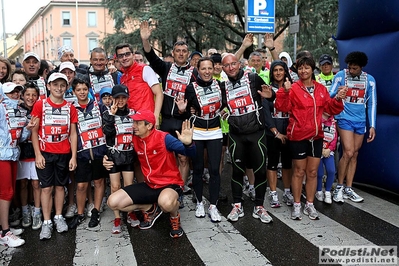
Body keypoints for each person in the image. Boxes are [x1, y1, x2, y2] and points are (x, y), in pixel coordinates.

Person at [274, 56, 346, 220]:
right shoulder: (293, 88)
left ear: (312, 69)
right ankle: (297, 205)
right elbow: (281, 107)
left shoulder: (321, 89)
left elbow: (330, 108)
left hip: (317, 136)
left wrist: (338, 98)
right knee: (299, 171)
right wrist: (284, 91)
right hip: (298, 136)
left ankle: (310, 205)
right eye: (300, 68)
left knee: (312, 172)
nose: (303, 71)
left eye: (306, 68)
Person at [106, 111, 196, 238]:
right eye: (134, 122)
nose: (133, 126)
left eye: (138, 123)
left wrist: (188, 144)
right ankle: (150, 208)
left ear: (149, 126)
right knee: (113, 202)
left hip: (169, 184)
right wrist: (106, 159)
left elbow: (191, 153)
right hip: (150, 185)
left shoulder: (164, 138)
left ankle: (174, 217)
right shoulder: (135, 139)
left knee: (166, 203)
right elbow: (120, 153)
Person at [140, 20, 198, 196]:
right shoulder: (166, 68)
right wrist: (145, 40)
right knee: (165, 156)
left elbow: (197, 99)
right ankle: (166, 187)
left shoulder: (194, 73)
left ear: (188, 54)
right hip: (166, 120)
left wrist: (187, 111)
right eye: (178, 51)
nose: (181, 54)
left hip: (183, 120)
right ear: (173, 53)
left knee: (183, 157)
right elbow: (151, 57)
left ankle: (179, 189)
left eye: (184, 51)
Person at [220, 53, 275, 224]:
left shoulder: (253, 78)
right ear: (223, 69)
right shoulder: (223, 87)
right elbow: (216, 105)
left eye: (233, 64)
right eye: (227, 65)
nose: (231, 67)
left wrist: (270, 96)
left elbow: (269, 95)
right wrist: (223, 114)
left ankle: (259, 206)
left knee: (259, 171)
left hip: (256, 133)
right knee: (237, 171)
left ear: (239, 64)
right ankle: (237, 205)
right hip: (236, 135)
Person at [30, 72, 78, 240]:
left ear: (66, 87)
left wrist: (73, 157)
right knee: (46, 188)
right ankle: (47, 221)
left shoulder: (70, 107)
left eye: (62, 85)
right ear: (48, 86)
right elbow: (34, 132)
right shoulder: (40, 105)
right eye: (55, 85)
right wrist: (37, 154)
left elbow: (73, 134)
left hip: (63, 153)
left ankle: (58, 216)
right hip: (45, 153)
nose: (59, 88)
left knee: (60, 187)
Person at [178, 57, 224, 222]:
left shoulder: (220, 85)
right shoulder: (191, 88)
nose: (206, 71)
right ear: (197, 69)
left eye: (209, 68)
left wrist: (226, 114)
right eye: (203, 68)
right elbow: (187, 110)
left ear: (213, 69)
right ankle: (199, 202)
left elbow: (225, 105)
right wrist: (183, 110)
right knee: (197, 169)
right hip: (196, 131)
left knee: (213, 170)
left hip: (215, 131)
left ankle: (213, 205)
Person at [329, 51, 377, 203]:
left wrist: (372, 125)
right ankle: (339, 187)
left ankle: (348, 188)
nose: (351, 71)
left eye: (355, 68)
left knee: (355, 154)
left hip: (360, 121)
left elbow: (372, 103)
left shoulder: (369, 80)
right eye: (349, 67)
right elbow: (329, 94)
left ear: (361, 67)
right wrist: (338, 93)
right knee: (348, 152)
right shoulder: (341, 76)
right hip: (344, 118)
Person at [67, 78, 107, 230]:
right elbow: (72, 133)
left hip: (99, 150)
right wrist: (73, 155)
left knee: (98, 182)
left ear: (89, 90)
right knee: (82, 185)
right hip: (82, 152)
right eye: (79, 90)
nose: (82, 92)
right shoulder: (71, 108)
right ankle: (80, 213)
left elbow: (107, 124)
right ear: (74, 92)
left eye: (85, 89)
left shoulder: (99, 105)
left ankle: (95, 211)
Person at [102, 84, 137, 234]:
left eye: (124, 97)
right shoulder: (107, 113)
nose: (121, 100)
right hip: (114, 156)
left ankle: (130, 213)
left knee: (128, 186)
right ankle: (117, 217)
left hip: (128, 155)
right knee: (115, 187)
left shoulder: (134, 113)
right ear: (112, 99)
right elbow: (107, 132)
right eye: (118, 98)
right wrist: (111, 115)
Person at [0, 82, 30, 248]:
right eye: (11, 92)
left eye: (17, 91)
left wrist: (29, 128)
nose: (16, 94)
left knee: (8, 192)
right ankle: (5, 232)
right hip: (1, 155)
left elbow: (22, 136)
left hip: (13, 154)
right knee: (6, 192)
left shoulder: (20, 110)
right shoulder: (1, 108)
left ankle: (4, 227)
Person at [263, 60, 294, 208]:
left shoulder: (292, 88)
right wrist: (275, 132)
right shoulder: (268, 89)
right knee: (273, 163)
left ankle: (287, 191)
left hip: (289, 131)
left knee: (288, 164)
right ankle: (273, 193)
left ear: (285, 71)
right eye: (275, 70)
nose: (278, 73)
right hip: (273, 132)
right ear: (272, 73)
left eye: (281, 70)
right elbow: (266, 114)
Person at [115, 43, 163, 128]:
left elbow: (159, 93)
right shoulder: (122, 78)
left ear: (133, 55)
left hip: (147, 122)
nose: (124, 58)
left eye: (127, 54)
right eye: (121, 56)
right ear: (118, 59)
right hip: (131, 123)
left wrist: (155, 118)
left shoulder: (145, 69)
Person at [17, 83, 42, 230]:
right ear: (22, 96)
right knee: (23, 184)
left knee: (36, 183)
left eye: (34, 95)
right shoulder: (18, 111)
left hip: (36, 152)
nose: (30, 98)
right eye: (28, 95)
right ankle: (25, 211)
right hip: (22, 152)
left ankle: (37, 212)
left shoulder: (41, 110)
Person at [316, 112, 337, 204]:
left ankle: (328, 191)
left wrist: (330, 148)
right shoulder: (317, 117)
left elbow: (335, 137)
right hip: (318, 149)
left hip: (328, 151)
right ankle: (319, 190)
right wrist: (319, 148)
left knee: (331, 170)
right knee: (319, 173)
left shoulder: (333, 121)